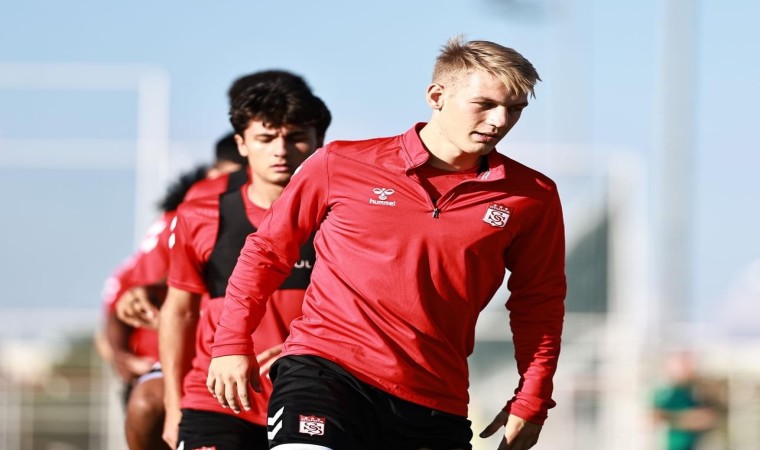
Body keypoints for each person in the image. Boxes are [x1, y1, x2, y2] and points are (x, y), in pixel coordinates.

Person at [207, 35, 566, 450]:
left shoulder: (533, 195)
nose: (499, 120)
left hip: (435, 397)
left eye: (515, 109)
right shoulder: (339, 162)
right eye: (484, 104)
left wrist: (533, 396)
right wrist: (231, 342)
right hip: (326, 373)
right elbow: (267, 252)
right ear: (436, 96)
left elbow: (538, 302)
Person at [158, 69, 331, 450]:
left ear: (319, 142)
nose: (280, 150)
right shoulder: (199, 216)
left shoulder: (345, 221)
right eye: (266, 138)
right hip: (215, 402)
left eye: (295, 137)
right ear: (241, 143)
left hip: (316, 395)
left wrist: (306, 349)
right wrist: (173, 406)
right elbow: (179, 312)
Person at [96, 134, 247, 450]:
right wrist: (122, 355)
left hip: (260, 364)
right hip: (183, 365)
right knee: (149, 404)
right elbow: (126, 301)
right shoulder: (184, 221)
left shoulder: (300, 215)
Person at [652, 351, 719, 450]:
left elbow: (708, 419)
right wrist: (686, 419)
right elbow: (653, 418)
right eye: (683, 365)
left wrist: (671, 418)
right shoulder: (665, 392)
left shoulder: (699, 391)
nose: (687, 368)